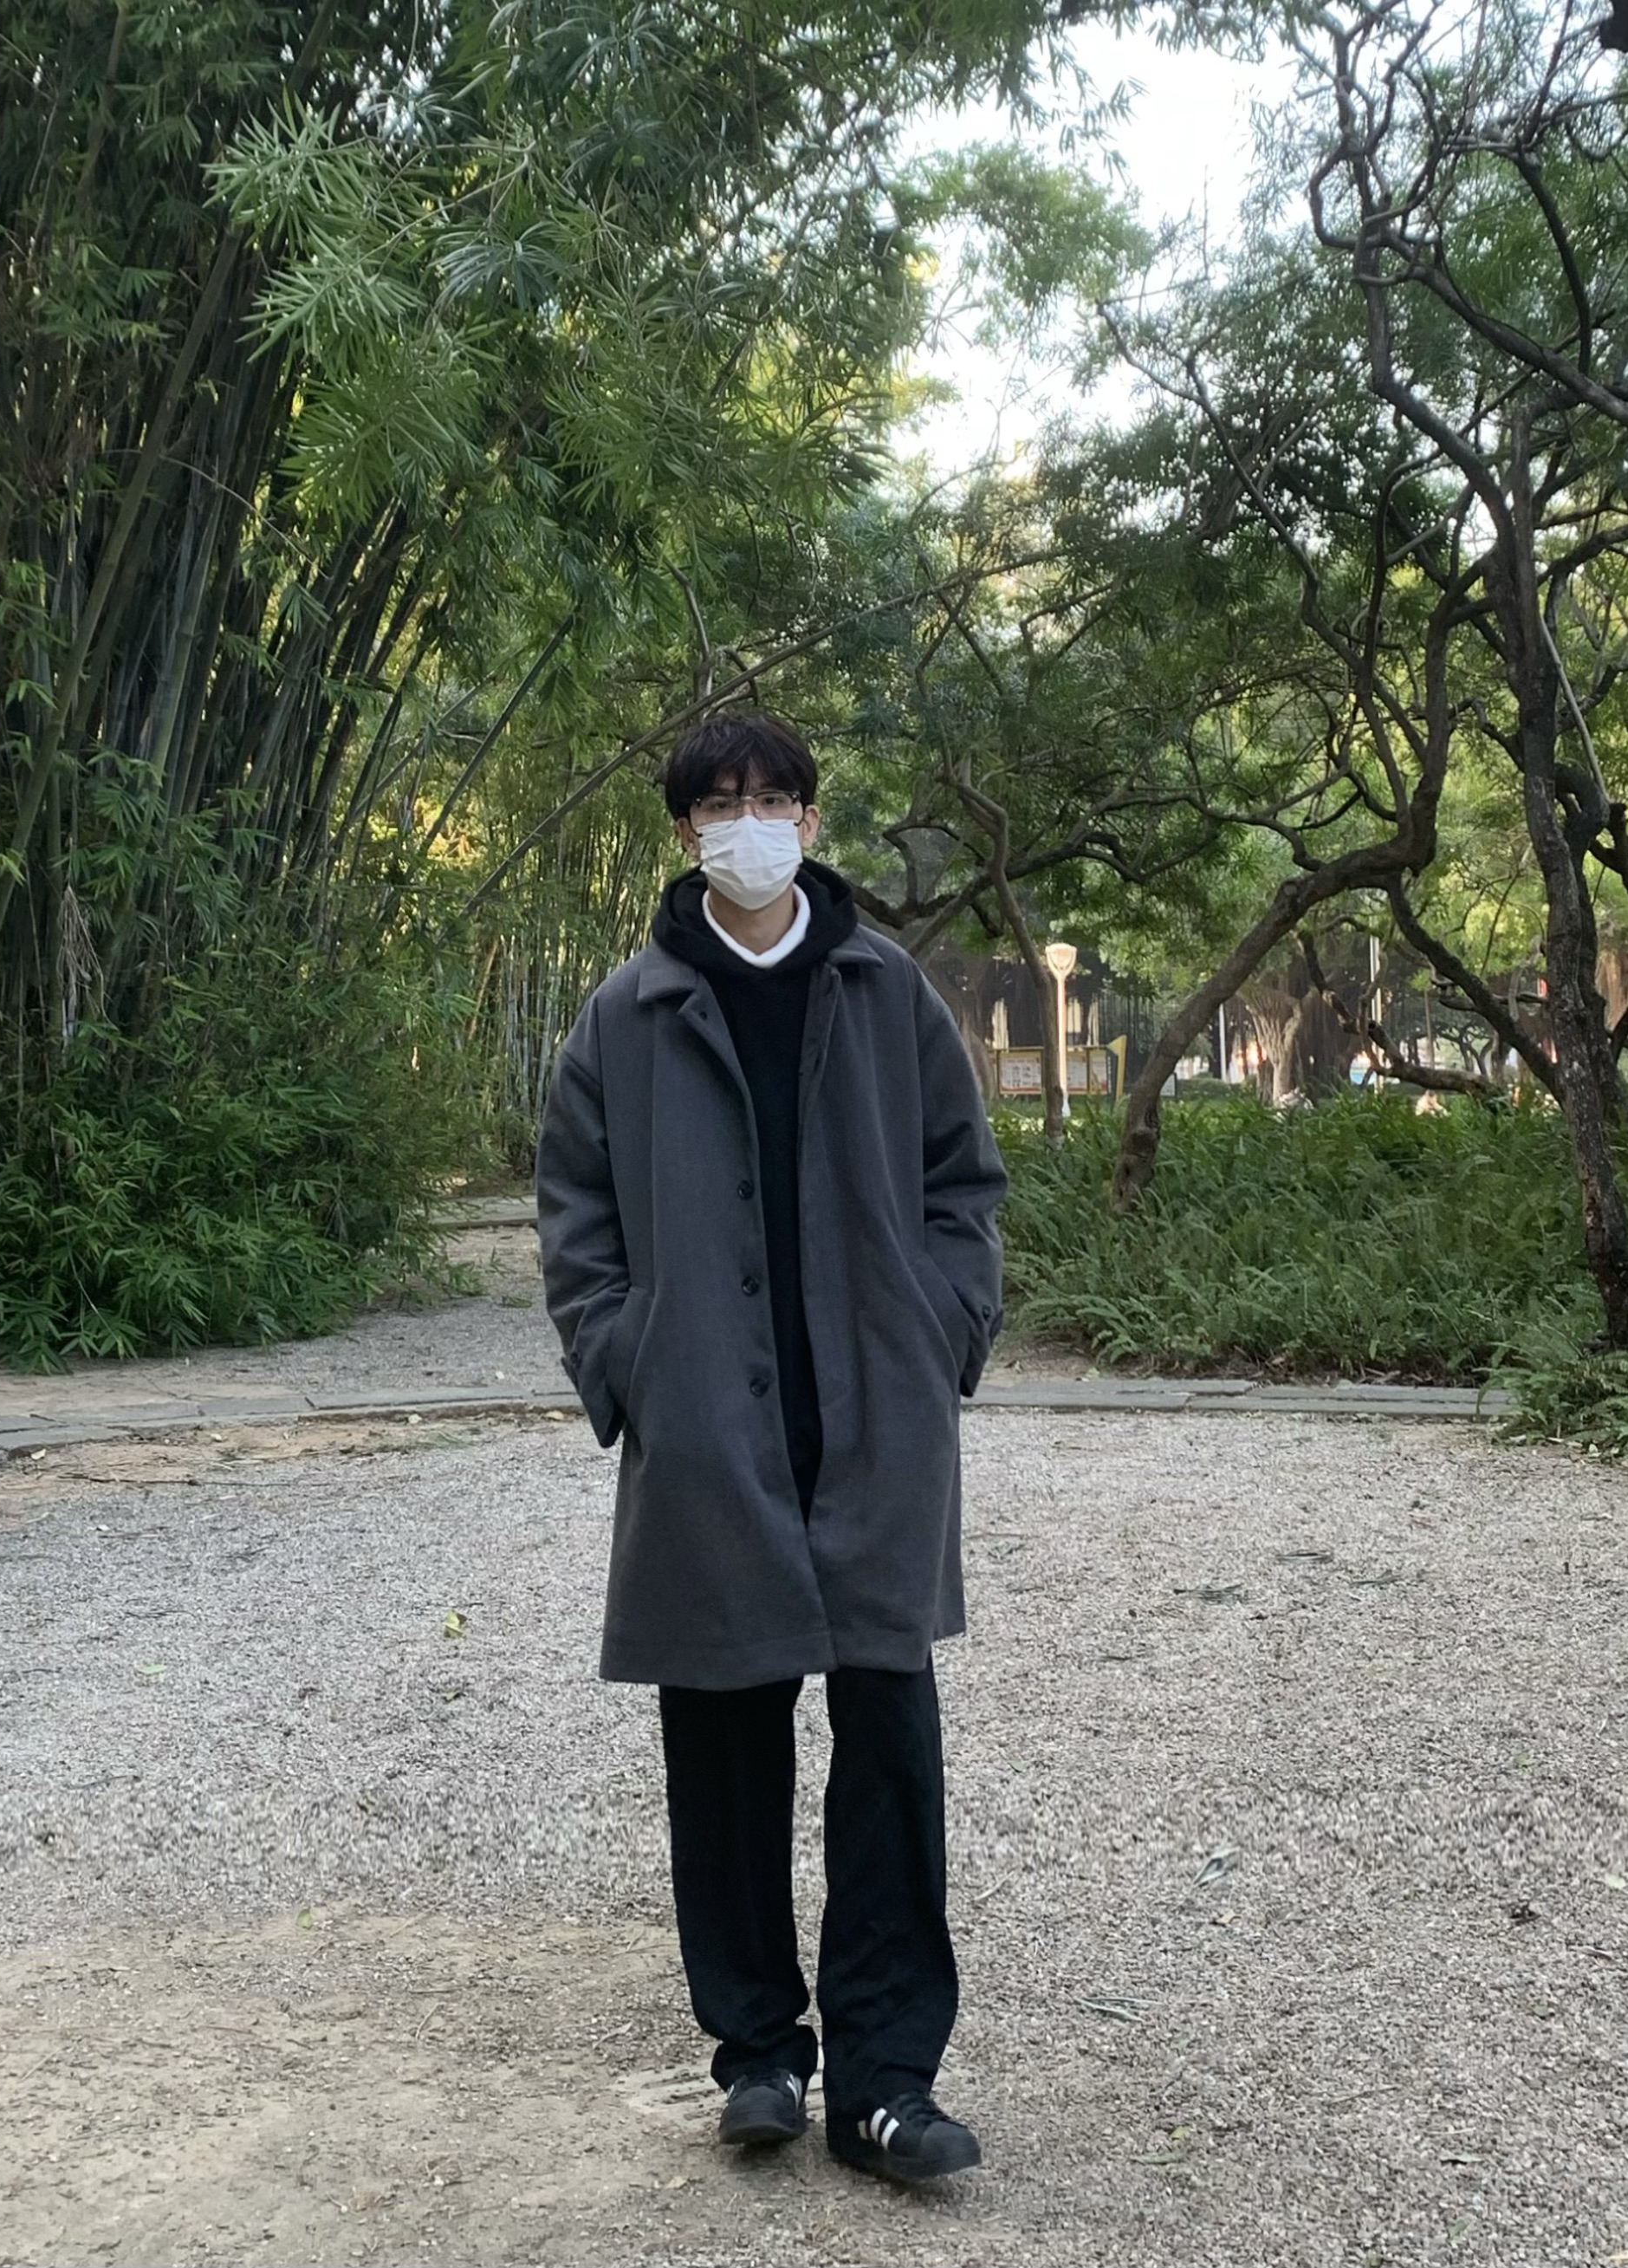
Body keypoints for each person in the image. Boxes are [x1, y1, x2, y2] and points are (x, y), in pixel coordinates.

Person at [535, 709, 1007, 2187]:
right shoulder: (627, 1016)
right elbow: (575, 1213)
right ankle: (757, 2051)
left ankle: (886, 2078)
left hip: (873, 1422)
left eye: (774, 797)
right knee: (723, 1750)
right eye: (721, 800)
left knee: (890, 1750)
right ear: (687, 831)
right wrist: (627, 1360)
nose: (749, 821)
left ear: (809, 817)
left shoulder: (886, 990)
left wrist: (945, 1329)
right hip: (707, 1433)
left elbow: (963, 1182)